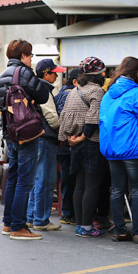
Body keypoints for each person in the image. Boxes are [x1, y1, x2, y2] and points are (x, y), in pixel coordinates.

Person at [0, 39, 51, 241]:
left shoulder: (1, 77)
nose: (31, 59)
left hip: (10, 133)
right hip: (27, 133)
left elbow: (1, 105)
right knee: (25, 180)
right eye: (30, 55)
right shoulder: (24, 73)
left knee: (14, 177)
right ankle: (19, 226)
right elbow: (43, 96)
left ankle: (8, 223)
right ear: (23, 56)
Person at [99, 56, 138, 243]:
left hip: (112, 149)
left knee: (117, 190)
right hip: (132, 147)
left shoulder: (108, 94)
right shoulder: (136, 93)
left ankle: (120, 231)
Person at [58, 56, 109, 238]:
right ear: (97, 74)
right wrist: (82, 137)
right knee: (92, 186)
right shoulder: (96, 91)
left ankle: (80, 224)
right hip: (90, 143)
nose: (105, 74)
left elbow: (64, 116)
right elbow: (93, 119)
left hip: (74, 143)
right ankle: (87, 226)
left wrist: (70, 138)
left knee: (79, 185)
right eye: (103, 71)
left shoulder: (74, 90)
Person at [27, 59, 66, 231]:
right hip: (45, 139)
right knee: (45, 181)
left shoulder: (34, 87)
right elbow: (51, 117)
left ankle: (30, 217)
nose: (56, 75)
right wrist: (63, 131)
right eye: (53, 72)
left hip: (37, 139)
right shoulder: (43, 89)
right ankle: (41, 220)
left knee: (37, 180)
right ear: (45, 73)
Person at [53, 68, 81, 225]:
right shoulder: (70, 95)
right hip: (68, 144)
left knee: (67, 179)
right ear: (75, 81)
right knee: (70, 180)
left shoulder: (60, 93)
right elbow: (66, 119)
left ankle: (68, 212)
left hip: (62, 145)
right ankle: (68, 213)